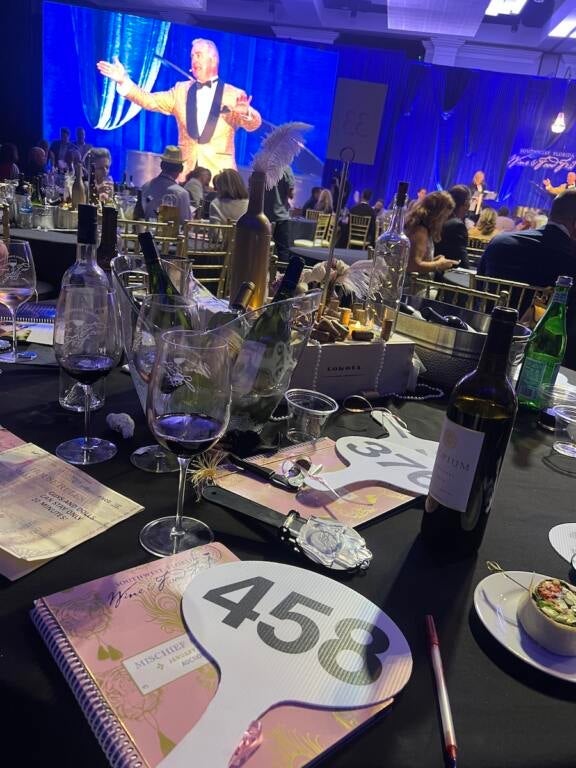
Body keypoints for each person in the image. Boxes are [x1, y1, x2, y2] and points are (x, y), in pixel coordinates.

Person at [97, 38, 262, 179]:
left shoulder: (233, 94)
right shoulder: (180, 90)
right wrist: (123, 81)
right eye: (192, 56)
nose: (194, 60)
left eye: (198, 55)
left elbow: (253, 125)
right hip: (185, 176)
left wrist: (246, 113)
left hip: (220, 178)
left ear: (213, 59)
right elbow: (149, 100)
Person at [478, 190, 576, 368]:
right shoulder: (571, 260)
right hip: (540, 357)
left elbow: (479, 289)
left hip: (482, 339)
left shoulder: (499, 242)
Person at [404, 191, 459, 276]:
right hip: (412, 287)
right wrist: (439, 264)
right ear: (438, 214)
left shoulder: (417, 226)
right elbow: (413, 265)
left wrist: (434, 261)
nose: (445, 220)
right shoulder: (420, 231)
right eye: (445, 216)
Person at [135, 145, 191, 225]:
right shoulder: (181, 193)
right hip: (170, 235)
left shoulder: (145, 186)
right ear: (180, 169)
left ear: (161, 165)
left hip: (145, 234)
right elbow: (186, 223)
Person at [435, 185, 471, 268]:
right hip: (445, 275)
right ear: (466, 203)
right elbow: (462, 262)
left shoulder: (439, 218)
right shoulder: (457, 226)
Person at [264, 166, 295, 261]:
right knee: (283, 250)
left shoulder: (263, 166)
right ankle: (282, 274)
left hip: (263, 216)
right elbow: (291, 194)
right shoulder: (286, 169)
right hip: (281, 216)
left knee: (261, 248)